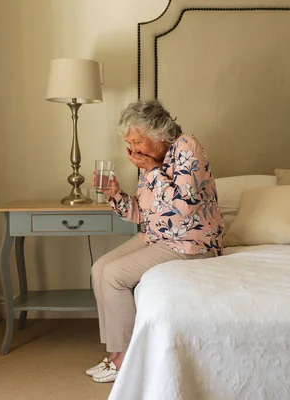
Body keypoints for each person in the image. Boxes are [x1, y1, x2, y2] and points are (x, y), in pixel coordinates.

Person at [87, 99, 224, 383]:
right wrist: (115, 194)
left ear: (159, 134)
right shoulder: (152, 162)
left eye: (137, 142)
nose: (132, 150)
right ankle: (115, 352)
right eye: (129, 143)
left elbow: (184, 207)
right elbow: (141, 213)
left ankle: (127, 359)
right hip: (156, 236)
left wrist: (151, 169)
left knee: (114, 275)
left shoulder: (187, 147)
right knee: (100, 268)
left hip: (191, 242)